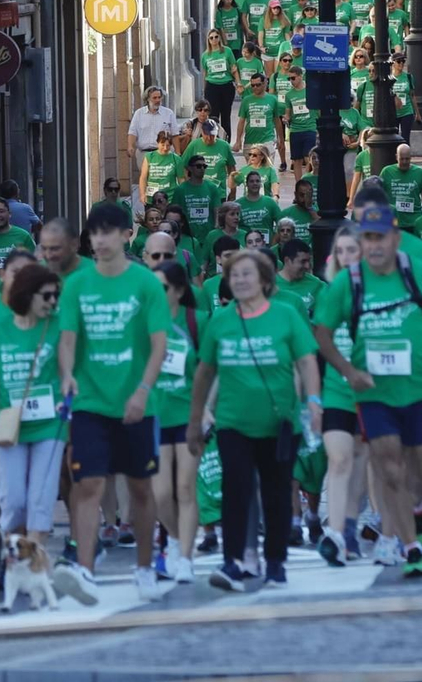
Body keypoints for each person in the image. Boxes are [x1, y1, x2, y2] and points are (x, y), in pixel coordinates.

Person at [310, 201, 422, 579]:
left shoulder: (417, 273)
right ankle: (410, 548)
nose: (374, 246)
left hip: (421, 389)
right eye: (368, 239)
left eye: (380, 238)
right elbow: (323, 332)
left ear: (396, 238)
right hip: (374, 394)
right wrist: (347, 371)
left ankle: (415, 510)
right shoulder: (350, 281)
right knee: (390, 469)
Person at [53, 202, 172, 604]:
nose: (100, 240)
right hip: (90, 403)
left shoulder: (145, 283)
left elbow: (159, 344)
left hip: (137, 403)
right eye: (94, 233)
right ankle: (84, 569)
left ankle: (144, 566)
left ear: (126, 235)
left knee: (140, 488)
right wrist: (67, 374)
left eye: (108, 232)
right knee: (87, 484)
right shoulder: (77, 286)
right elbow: (67, 339)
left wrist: (142, 390)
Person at [188, 249, 322, 591]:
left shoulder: (286, 315)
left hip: (280, 422)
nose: (241, 280)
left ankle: (275, 561)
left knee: (277, 493)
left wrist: (314, 402)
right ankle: (233, 561)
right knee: (236, 489)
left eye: (247, 274)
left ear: (265, 280)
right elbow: (205, 371)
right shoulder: (221, 320)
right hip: (233, 422)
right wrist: (197, 414)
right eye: (234, 275)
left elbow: (306, 361)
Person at [0, 263, 67, 569]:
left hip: (50, 424)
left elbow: (70, 367)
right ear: (28, 295)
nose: (53, 302)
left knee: (41, 499)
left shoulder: (59, 325)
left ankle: (32, 564)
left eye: (57, 295)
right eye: (47, 296)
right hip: (10, 424)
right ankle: (12, 553)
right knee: (13, 500)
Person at [314, 225, 370, 566]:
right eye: (342, 251)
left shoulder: (378, 292)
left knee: (360, 462)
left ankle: (349, 525)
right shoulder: (330, 292)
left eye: (354, 251)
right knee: (339, 460)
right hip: (336, 389)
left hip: (369, 391)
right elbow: (317, 345)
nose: (347, 258)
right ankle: (335, 534)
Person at [151, 257, 202, 584]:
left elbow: (208, 370)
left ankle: (185, 557)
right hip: (153, 417)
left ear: (179, 291)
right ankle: (171, 538)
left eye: (163, 288)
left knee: (185, 488)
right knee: (160, 494)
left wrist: (206, 410)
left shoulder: (197, 321)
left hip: (187, 415)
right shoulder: (143, 323)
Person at [128, 87, 182, 185]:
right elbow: (132, 132)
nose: (157, 100)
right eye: (154, 98)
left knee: (164, 180)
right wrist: (130, 146)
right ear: (148, 99)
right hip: (144, 154)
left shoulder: (168, 113)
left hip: (164, 153)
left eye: (159, 97)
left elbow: (175, 134)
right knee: (148, 181)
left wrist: (178, 152)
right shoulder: (139, 114)